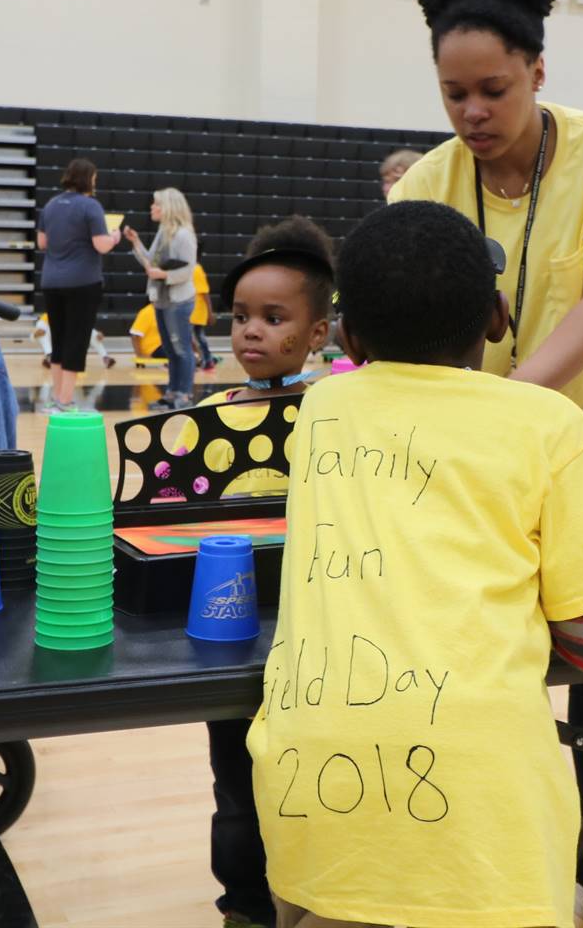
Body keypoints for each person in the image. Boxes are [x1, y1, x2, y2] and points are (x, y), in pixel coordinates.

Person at [249, 200, 583, 928]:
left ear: (345, 335)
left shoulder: (321, 410)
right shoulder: (549, 424)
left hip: (308, 789)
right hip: (484, 809)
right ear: (497, 317)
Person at [387, 0, 583, 925]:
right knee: (468, 639)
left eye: (493, 88)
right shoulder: (424, 179)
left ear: (538, 71)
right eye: (453, 91)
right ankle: (466, 841)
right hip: (467, 436)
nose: (472, 111)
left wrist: (509, 403)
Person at [172, 216, 336, 928]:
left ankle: (315, 895)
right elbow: (173, 506)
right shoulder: (207, 411)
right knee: (234, 784)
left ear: (319, 333)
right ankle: (243, 905)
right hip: (232, 632)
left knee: (315, 780)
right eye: (241, 317)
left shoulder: (336, 410)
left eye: (274, 318)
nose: (251, 332)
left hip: (316, 635)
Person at [38, 157, 118, 412]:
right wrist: (114, 237)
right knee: (77, 341)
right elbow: (101, 245)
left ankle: (56, 398)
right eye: (94, 178)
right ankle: (65, 400)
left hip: (51, 281)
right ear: (87, 179)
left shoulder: (50, 205)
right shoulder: (90, 206)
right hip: (83, 283)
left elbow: (42, 243)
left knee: (59, 340)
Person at [123, 187, 199, 410]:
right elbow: (150, 262)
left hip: (179, 301)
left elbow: (188, 271)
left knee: (182, 349)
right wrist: (136, 242)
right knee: (169, 348)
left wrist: (164, 275)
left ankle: (184, 395)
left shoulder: (185, 234)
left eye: (156, 204)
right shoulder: (163, 232)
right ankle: (171, 392)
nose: (152, 207)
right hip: (162, 300)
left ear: (168, 207)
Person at [191, 262, 219, 371]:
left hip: (196, 310)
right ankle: (204, 360)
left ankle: (207, 361)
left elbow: (205, 293)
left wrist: (210, 312)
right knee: (194, 337)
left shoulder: (196, 269)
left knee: (197, 338)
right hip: (189, 309)